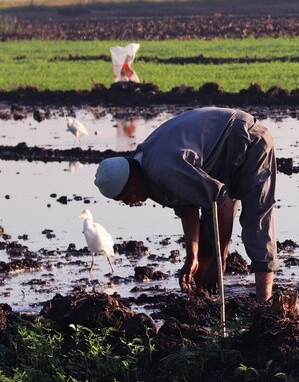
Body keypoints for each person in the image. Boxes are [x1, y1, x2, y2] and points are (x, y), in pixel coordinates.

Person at [93, 107, 279, 300]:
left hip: (246, 138)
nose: (129, 203)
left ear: (133, 183)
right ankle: (204, 294)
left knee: (256, 219)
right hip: (216, 153)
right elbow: (186, 204)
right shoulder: (144, 166)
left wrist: (220, 259)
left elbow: (222, 203)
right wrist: (192, 257)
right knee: (209, 219)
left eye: (126, 198)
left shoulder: (163, 169)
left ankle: (264, 301)